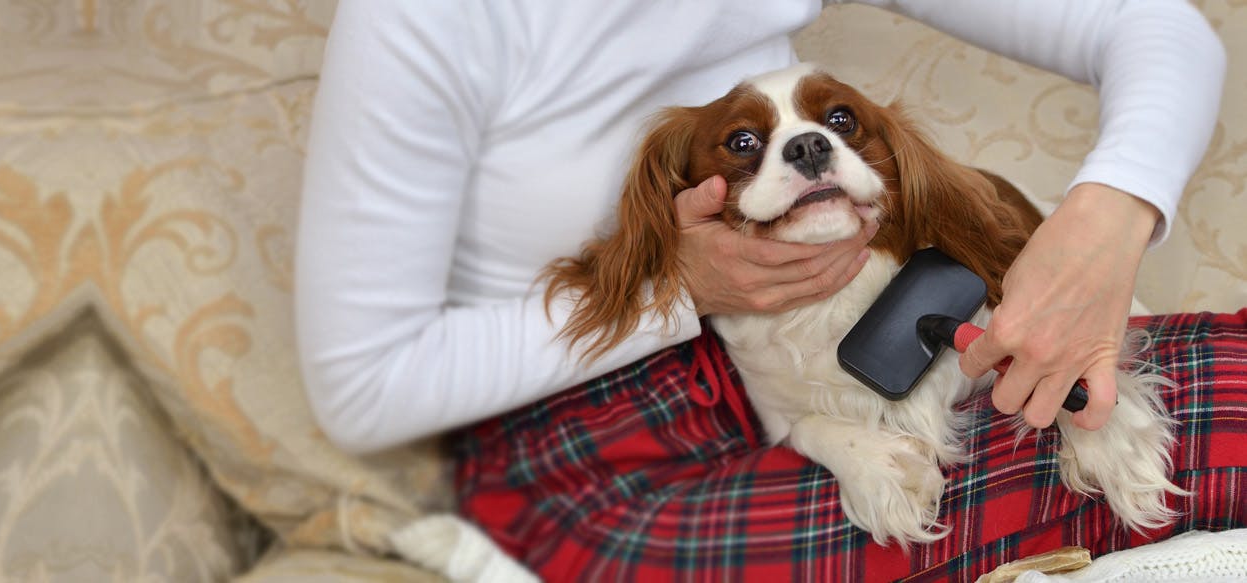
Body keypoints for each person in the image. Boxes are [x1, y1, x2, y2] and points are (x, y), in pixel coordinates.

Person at [295, 1, 1244, 580]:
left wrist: (1100, 229)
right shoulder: (420, 14)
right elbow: (361, 387)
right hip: (604, 471)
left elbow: (1156, 26)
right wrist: (678, 289)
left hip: (844, 368)